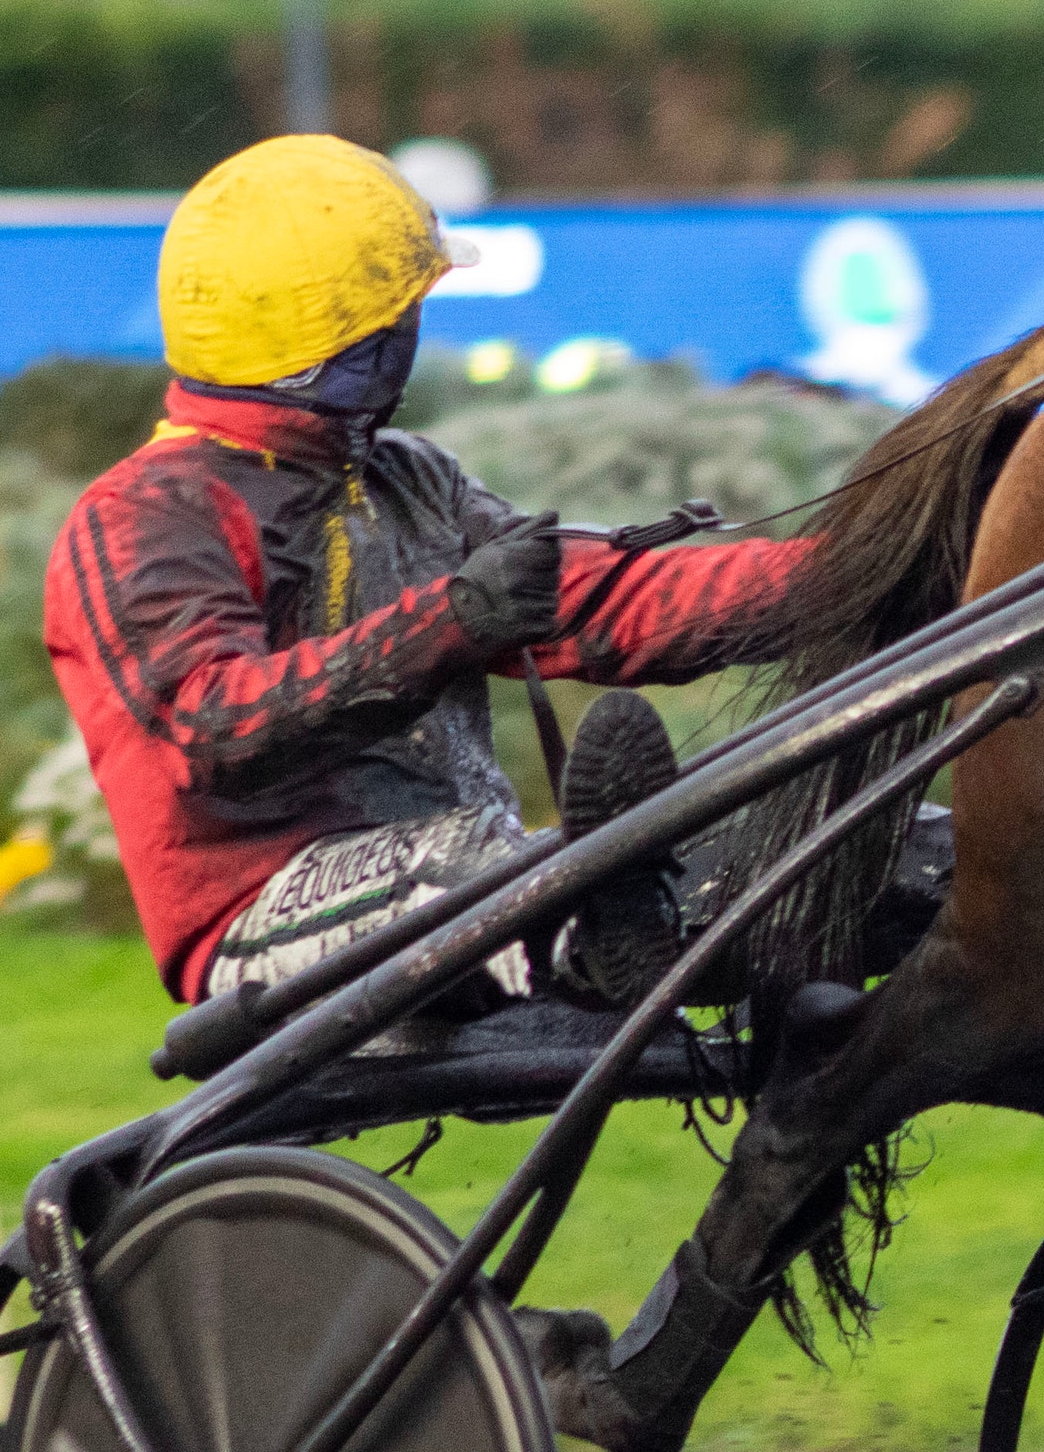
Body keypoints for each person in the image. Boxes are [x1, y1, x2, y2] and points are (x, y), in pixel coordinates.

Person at [46, 135, 815, 1011]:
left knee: (785, 838)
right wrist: (451, 625)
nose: (414, 332)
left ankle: (659, 912)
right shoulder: (144, 514)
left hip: (473, 865)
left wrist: (857, 571)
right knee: (472, 865)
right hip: (258, 919)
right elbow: (215, 734)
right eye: (399, 316)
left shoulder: (409, 476)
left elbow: (607, 601)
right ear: (344, 345)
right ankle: (600, 927)